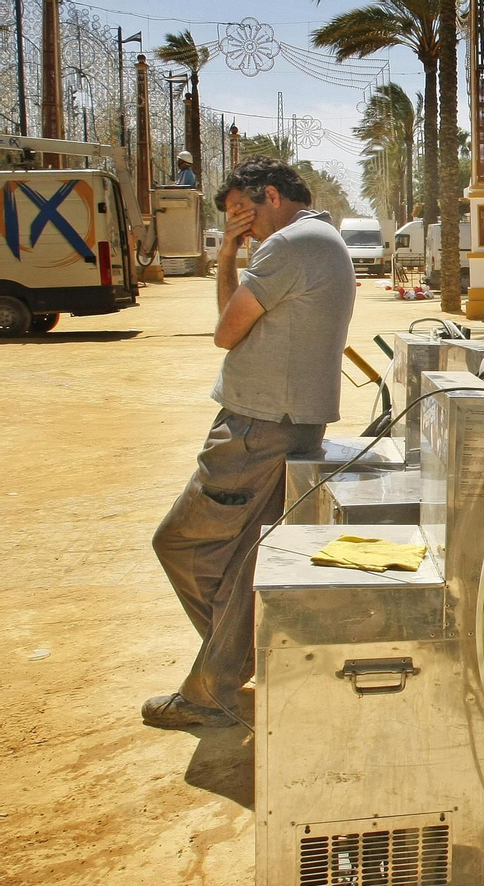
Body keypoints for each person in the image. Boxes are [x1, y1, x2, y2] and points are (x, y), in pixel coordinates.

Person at [143, 156, 356, 729]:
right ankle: (215, 683)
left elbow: (225, 331)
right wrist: (230, 256)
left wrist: (229, 257)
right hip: (290, 424)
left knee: (180, 543)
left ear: (271, 194)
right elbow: (234, 321)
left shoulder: (289, 245)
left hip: (256, 429)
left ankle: (225, 667)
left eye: (243, 210)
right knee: (245, 564)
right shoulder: (324, 240)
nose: (241, 224)